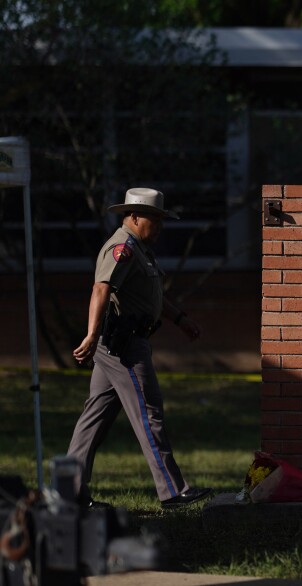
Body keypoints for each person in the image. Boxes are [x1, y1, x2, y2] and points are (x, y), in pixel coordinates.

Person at [67, 187, 212, 509]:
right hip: (124, 345)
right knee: (149, 412)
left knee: (94, 420)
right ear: (133, 216)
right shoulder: (122, 248)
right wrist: (90, 335)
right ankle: (173, 490)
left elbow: (150, 298)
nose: (159, 227)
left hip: (124, 342)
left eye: (161, 220)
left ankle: (69, 493)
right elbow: (101, 288)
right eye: (154, 220)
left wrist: (181, 319)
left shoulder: (141, 250)